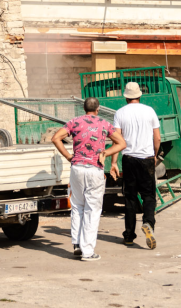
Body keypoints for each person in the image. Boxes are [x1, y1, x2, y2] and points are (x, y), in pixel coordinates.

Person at [51, 97, 126, 261]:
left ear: (84, 109)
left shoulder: (74, 122)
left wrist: (69, 156)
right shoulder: (104, 124)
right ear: (98, 109)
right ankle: (88, 251)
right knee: (92, 209)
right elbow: (122, 143)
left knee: (77, 206)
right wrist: (105, 153)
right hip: (94, 169)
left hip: (77, 168)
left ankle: (77, 244)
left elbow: (56, 138)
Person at [113, 81, 161, 249]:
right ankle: (148, 223)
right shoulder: (150, 111)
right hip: (146, 158)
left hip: (129, 159)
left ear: (126, 97)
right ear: (140, 95)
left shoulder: (120, 113)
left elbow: (117, 139)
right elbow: (157, 137)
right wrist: (155, 155)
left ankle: (129, 236)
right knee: (149, 196)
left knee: (130, 198)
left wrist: (114, 162)